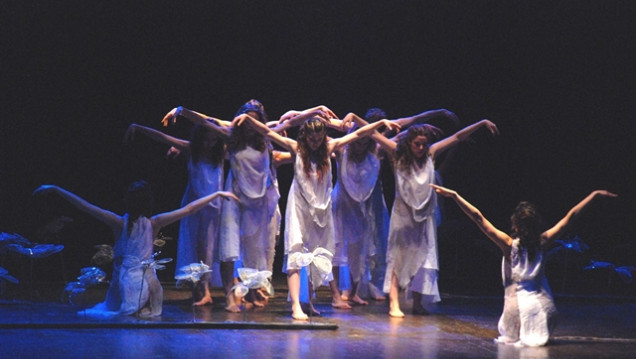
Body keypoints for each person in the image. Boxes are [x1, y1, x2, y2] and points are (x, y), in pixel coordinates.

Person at [235, 112, 401, 320]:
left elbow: (358, 134)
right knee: (296, 252)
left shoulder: (329, 149)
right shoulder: (296, 148)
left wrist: (380, 123)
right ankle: (296, 304)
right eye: (311, 139)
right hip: (299, 207)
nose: (315, 143)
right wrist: (250, 120)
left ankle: (309, 301)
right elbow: (268, 132)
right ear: (305, 136)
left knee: (317, 256)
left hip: (322, 209)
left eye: (318, 139)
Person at [431, 184, 617, 346]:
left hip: (516, 314)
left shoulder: (508, 244)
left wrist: (455, 196)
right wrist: (594, 195)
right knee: (541, 307)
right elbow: (571, 217)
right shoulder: (544, 241)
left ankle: (521, 331)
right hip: (545, 312)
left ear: (516, 226)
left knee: (514, 316)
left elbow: (477, 217)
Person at [32, 181, 238, 317]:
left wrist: (56, 189)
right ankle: (142, 305)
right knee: (143, 283)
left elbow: (84, 205)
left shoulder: (119, 222)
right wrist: (216, 193)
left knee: (138, 284)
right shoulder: (154, 223)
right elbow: (189, 209)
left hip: (127, 281)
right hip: (133, 282)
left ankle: (139, 305)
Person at [163, 100, 291, 312]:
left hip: (256, 201)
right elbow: (205, 122)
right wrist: (182, 110)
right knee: (229, 248)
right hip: (234, 197)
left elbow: (289, 122)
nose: (250, 125)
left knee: (253, 249)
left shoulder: (266, 138)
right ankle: (230, 297)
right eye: (247, 120)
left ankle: (250, 290)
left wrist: (317, 110)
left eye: (254, 121)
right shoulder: (232, 139)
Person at [330, 109, 461, 305]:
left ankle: (356, 289)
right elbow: (332, 127)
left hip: (364, 204)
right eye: (358, 140)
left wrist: (432, 117)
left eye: (364, 142)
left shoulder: (375, 149)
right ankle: (338, 294)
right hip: (342, 203)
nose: (360, 145)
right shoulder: (344, 147)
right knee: (338, 248)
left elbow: (408, 122)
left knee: (364, 247)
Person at [369, 119, 499, 317]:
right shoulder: (398, 154)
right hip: (403, 216)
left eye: (423, 144)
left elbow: (457, 137)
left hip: (424, 216)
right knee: (397, 257)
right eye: (417, 144)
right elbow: (373, 134)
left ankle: (418, 303)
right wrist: (353, 118)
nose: (421, 148)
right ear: (409, 143)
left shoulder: (431, 154)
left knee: (424, 258)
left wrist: (480, 124)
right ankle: (394, 302)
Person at [124, 122, 228, 306]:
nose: (210, 142)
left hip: (215, 207)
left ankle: (206, 289)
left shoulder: (221, 153)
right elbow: (162, 137)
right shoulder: (191, 149)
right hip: (194, 205)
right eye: (206, 138)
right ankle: (200, 286)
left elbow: (242, 139)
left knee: (208, 247)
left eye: (214, 138)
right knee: (195, 246)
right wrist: (139, 128)